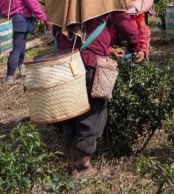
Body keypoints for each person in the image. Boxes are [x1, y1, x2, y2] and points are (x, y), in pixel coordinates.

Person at [56, 10, 144, 177]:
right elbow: (122, 20)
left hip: (64, 59)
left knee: (71, 109)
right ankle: (82, 167)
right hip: (88, 59)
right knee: (93, 111)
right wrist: (136, 44)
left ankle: (73, 161)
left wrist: (108, 48)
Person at [0, 0, 48, 86]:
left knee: (20, 44)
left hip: (6, 20)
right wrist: (45, 19)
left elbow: (0, 6)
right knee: (17, 48)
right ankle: (9, 77)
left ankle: (22, 68)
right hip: (20, 20)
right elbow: (34, 6)